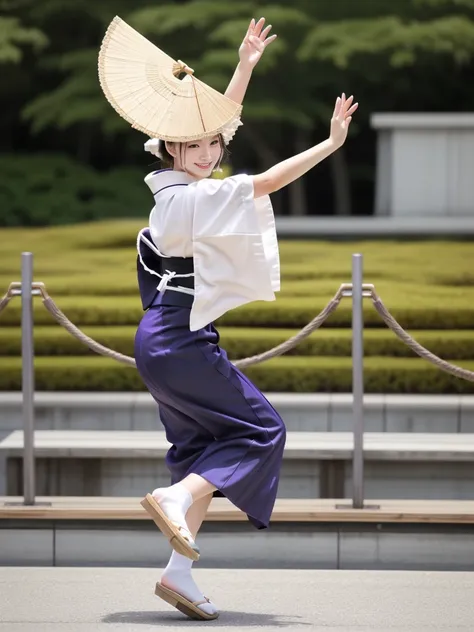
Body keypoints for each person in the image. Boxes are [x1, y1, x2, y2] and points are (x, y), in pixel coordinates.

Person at [99, 15, 358, 622]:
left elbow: (217, 120)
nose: (210, 152)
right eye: (196, 146)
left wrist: (244, 67)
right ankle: (174, 496)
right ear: (170, 149)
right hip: (180, 339)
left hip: (163, 339)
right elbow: (265, 181)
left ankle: (180, 574)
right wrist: (331, 145)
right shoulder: (195, 197)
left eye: (215, 145)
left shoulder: (172, 194)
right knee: (261, 431)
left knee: (204, 450)